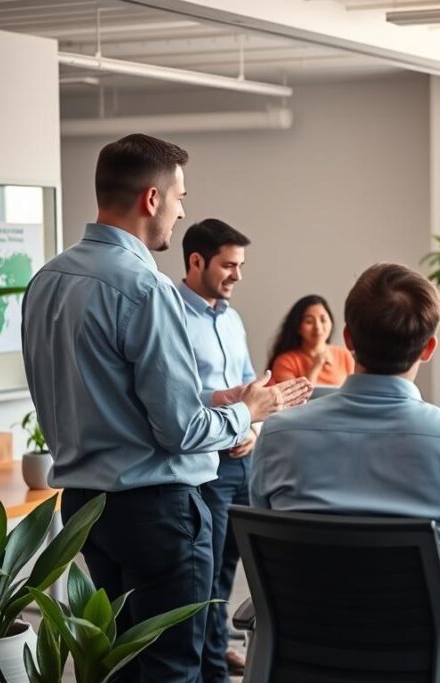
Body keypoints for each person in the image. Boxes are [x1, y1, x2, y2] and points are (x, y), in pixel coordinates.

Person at [21, 133, 311, 682]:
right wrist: (247, 412)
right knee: (171, 668)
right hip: (155, 513)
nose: (181, 212)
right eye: (180, 198)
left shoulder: (46, 280)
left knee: (119, 664)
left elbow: (96, 398)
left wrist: (212, 399)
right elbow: (182, 431)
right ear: (152, 199)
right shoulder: (146, 289)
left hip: (85, 508)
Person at [249, 263, 440, 683]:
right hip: (428, 664)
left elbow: (271, 553)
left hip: (307, 653)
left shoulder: (277, 436)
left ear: (347, 338)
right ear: (429, 348)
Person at [179, 218, 257, 680]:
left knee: (229, 572)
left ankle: (215, 652)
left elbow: (247, 386)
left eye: (240, 265)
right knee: (204, 579)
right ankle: (210, 668)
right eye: (229, 265)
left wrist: (252, 426)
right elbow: (178, 399)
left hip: (242, 460)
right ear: (196, 261)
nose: (237, 275)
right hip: (204, 466)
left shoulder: (231, 317)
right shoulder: (171, 315)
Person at [267, 294, 355, 386]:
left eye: (323, 320)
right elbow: (290, 398)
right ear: (298, 327)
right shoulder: (285, 362)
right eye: (309, 321)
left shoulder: (345, 355)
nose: (318, 327)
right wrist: (316, 367)